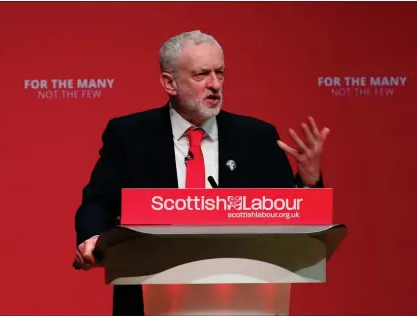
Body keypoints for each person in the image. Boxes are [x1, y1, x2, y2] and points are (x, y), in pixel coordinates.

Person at [74, 30, 329, 316]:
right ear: (169, 83)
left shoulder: (257, 138)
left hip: (244, 299)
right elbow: (97, 201)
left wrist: (308, 183)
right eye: (201, 75)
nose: (215, 84)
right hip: (151, 298)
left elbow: (291, 220)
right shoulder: (130, 135)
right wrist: (92, 238)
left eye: (220, 73)